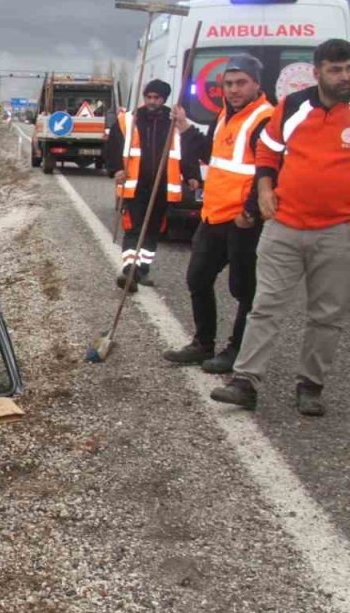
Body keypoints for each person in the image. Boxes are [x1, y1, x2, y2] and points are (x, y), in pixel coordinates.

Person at [211, 39, 350, 416]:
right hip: (284, 226)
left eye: (349, 69)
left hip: (338, 231)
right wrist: (264, 188)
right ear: (318, 70)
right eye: (336, 70)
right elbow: (267, 150)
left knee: (327, 315)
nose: (344, 77)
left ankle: (310, 385)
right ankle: (245, 382)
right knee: (266, 305)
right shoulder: (293, 106)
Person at [163, 55, 272, 374]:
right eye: (228, 84)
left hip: (243, 221)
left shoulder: (265, 118)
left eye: (241, 83)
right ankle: (203, 344)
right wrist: (184, 127)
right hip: (213, 215)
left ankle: (237, 350)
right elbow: (212, 154)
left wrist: (250, 212)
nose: (234, 89)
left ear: (256, 84)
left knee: (244, 290)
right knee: (197, 277)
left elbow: (271, 171)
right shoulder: (225, 115)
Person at [104, 79, 185, 291]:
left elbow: (184, 150)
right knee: (134, 227)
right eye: (148, 97)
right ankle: (129, 269)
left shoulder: (174, 121)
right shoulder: (128, 120)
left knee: (152, 230)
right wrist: (115, 169)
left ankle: (142, 270)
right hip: (135, 185)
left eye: (156, 98)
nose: (151, 101)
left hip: (162, 185)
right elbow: (112, 146)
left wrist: (192, 174)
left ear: (164, 99)